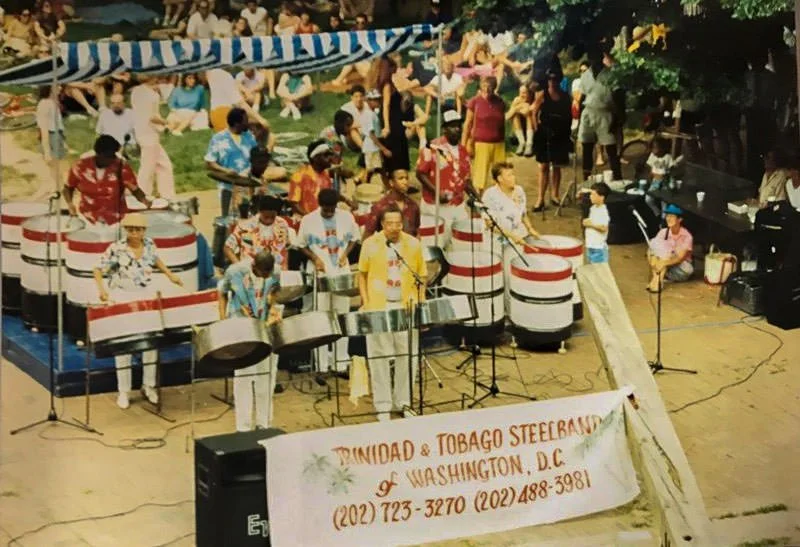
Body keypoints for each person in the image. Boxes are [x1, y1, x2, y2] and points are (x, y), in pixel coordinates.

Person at [93, 213, 184, 409]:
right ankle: (124, 391)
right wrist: (102, 291)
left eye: (139, 230)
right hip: (122, 296)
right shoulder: (116, 248)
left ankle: (148, 385)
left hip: (145, 295)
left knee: (151, 344)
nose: (135, 233)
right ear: (126, 230)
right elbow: (98, 269)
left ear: (144, 231)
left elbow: (156, 259)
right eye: (131, 229)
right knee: (123, 346)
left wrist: (170, 275)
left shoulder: (150, 244)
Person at [358, 205, 425, 422]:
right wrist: (367, 303)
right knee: (379, 355)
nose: (394, 228)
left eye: (398, 223)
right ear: (382, 225)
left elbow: (421, 276)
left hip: (406, 305)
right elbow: (362, 275)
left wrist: (420, 304)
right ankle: (383, 405)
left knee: (408, 354)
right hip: (379, 305)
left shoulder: (413, 244)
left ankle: (404, 401)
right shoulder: (370, 244)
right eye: (390, 224)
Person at [218, 251, 282, 431]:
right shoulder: (235, 272)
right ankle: (243, 427)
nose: (265, 277)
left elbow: (275, 291)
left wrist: (273, 308)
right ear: (254, 266)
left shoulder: (275, 271)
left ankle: (264, 423)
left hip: (265, 327)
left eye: (268, 274)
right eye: (262, 273)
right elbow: (222, 294)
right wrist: (223, 322)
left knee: (266, 377)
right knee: (244, 378)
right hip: (241, 328)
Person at [297, 189, 360, 373]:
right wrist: (315, 258)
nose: (329, 212)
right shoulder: (308, 220)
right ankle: (321, 366)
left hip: (340, 271)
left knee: (341, 317)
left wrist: (345, 255)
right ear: (320, 205)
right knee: (322, 319)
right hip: (321, 273)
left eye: (332, 209)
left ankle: (341, 363)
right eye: (326, 210)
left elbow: (354, 239)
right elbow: (301, 245)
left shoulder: (347, 217)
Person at [64, 135, 151, 225]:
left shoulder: (121, 167)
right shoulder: (81, 166)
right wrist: (70, 204)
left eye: (113, 155)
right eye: (108, 156)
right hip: (88, 217)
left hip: (116, 220)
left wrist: (145, 201)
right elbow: (68, 187)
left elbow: (135, 190)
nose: (112, 159)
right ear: (98, 154)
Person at [415, 109, 473, 232]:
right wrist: (436, 193)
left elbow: (466, 180)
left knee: (461, 237)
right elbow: (420, 173)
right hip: (435, 206)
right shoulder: (433, 147)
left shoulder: (463, 151)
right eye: (452, 126)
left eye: (458, 125)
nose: (457, 129)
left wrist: (479, 200)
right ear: (444, 129)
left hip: (458, 204)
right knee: (441, 243)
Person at [577, 50, 622, 182]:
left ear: (601, 58)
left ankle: (618, 180)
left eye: (596, 58)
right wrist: (579, 119)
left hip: (605, 113)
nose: (594, 61)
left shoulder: (611, 75)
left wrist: (617, 118)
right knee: (587, 147)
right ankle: (587, 180)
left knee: (611, 149)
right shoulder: (585, 75)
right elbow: (582, 97)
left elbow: (618, 98)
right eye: (591, 58)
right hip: (588, 112)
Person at [205, 107, 259, 216]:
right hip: (227, 184)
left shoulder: (249, 136)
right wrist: (225, 170)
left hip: (248, 183)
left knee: (250, 215)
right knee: (230, 218)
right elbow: (209, 163)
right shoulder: (218, 139)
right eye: (245, 121)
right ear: (236, 123)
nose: (247, 123)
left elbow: (256, 156)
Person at [531, 71, 572, 210]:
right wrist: (537, 128)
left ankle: (555, 195)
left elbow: (568, 115)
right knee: (543, 166)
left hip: (560, 133)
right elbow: (534, 112)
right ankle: (540, 198)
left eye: (555, 80)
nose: (552, 82)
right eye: (550, 80)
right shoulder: (542, 95)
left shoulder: (565, 96)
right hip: (545, 132)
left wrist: (567, 133)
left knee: (557, 165)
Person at [131, 76, 175, 200]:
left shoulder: (137, 91)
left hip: (143, 131)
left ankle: (167, 195)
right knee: (148, 166)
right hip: (148, 134)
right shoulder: (150, 94)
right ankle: (142, 195)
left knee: (164, 164)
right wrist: (167, 123)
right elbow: (152, 117)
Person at [224, 195, 296, 269]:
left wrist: (285, 268)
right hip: (250, 270)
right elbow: (228, 247)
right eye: (266, 217)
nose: (269, 220)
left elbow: (285, 249)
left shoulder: (282, 224)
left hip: (276, 270)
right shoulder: (245, 226)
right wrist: (238, 266)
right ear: (259, 212)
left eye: (273, 217)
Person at [462, 75, 506, 191]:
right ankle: (478, 203)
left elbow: (502, 124)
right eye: (485, 85)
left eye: (490, 86)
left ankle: (498, 203)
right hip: (481, 143)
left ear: (494, 87)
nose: (487, 89)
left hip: (499, 144)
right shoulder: (475, 102)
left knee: (501, 176)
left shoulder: (500, 102)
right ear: (481, 86)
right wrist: (464, 145)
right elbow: (467, 124)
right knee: (480, 179)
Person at [647, 204, 694, 292]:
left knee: (688, 269)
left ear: (679, 219)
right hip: (663, 261)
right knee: (654, 250)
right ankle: (657, 281)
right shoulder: (663, 232)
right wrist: (653, 259)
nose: (668, 219)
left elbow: (680, 258)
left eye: (672, 216)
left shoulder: (687, 236)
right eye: (667, 216)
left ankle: (658, 278)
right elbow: (653, 249)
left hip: (679, 265)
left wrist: (664, 262)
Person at [363, 169, 420, 238]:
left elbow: (416, 232)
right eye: (401, 178)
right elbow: (368, 233)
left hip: (408, 247)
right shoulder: (380, 206)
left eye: (406, 178)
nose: (405, 182)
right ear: (391, 182)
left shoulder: (413, 206)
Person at [288, 140, 334, 216]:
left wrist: (347, 201)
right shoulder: (299, 176)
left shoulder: (325, 174)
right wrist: (309, 218)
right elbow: (294, 204)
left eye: (330, 155)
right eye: (326, 155)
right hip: (303, 219)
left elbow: (329, 196)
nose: (330, 158)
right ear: (315, 158)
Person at [35, 85, 66, 185]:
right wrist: (47, 150)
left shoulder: (53, 102)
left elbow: (59, 124)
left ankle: (57, 185)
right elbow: (44, 129)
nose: (60, 87)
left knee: (57, 167)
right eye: (57, 85)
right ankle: (56, 186)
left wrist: (63, 141)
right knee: (54, 166)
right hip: (51, 136)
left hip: (57, 135)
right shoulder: (44, 104)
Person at [645, 136, 675, 217]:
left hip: (665, 182)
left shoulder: (668, 157)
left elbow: (671, 171)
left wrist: (671, 182)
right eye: (652, 148)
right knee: (648, 198)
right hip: (655, 181)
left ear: (663, 148)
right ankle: (657, 213)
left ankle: (663, 219)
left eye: (656, 148)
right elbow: (651, 169)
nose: (654, 151)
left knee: (664, 201)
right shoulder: (652, 156)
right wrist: (650, 179)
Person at [583, 182, 611, 264]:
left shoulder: (603, 211)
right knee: (592, 270)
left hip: (598, 248)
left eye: (593, 194)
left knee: (599, 271)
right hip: (591, 245)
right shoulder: (593, 208)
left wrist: (590, 225)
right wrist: (587, 221)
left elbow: (604, 228)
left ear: (602, 197)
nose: (590, 196)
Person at [506, 83, 534, 157]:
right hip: (519, 128)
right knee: (515, 116)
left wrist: (517, 108)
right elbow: (507, 116)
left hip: (532, 129)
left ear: (529, 93)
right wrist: (517, 108)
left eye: (524, 93)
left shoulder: (533, 101)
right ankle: (522, 143)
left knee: (528, 115)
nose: (521, 95)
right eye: (520, 93)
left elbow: (526, 111)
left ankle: (529, 144)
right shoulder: (517, 100)